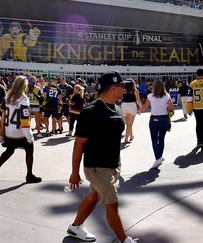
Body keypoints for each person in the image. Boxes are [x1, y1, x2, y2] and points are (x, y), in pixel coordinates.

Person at [66, 71, 137, 243]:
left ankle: (75, 227)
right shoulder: (90, 112)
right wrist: (75, 172)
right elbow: (78, 145)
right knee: (112, 204)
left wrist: (118, 164)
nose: (124, 89)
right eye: (121, 86)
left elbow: (114, 140)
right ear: (112, 88)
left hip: (112, 166)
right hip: (97, 167)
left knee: (94, 196)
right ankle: (125, 240)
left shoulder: (117, 109)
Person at [0, 76, 42, 184]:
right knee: (29, 150)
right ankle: (29, 175)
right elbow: (25, 122)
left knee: (9, 150)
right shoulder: (24, 100)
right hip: (20, 133)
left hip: (9, 131)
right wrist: (30, 137)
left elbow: (2, 109)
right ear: (24, 86)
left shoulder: (8, 96)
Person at [139, 79, 174, 168]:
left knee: (154, 139)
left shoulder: (150, 96)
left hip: (154, 119)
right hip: (164, 119)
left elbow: (145, 107)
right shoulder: (167, 96)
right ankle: (160, 157)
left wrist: (139, 111)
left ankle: (158, 158)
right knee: (161, 138)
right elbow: (171, 108)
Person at [120, 79, 142, 143]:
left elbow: (119, 99)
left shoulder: (123, 90)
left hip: (123, 106)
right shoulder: (135, 90)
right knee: (129, 124)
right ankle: (126, 139)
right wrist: (141, 107)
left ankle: (131, 136)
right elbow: (138, 100)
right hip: (132, 106)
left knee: (128, 124)